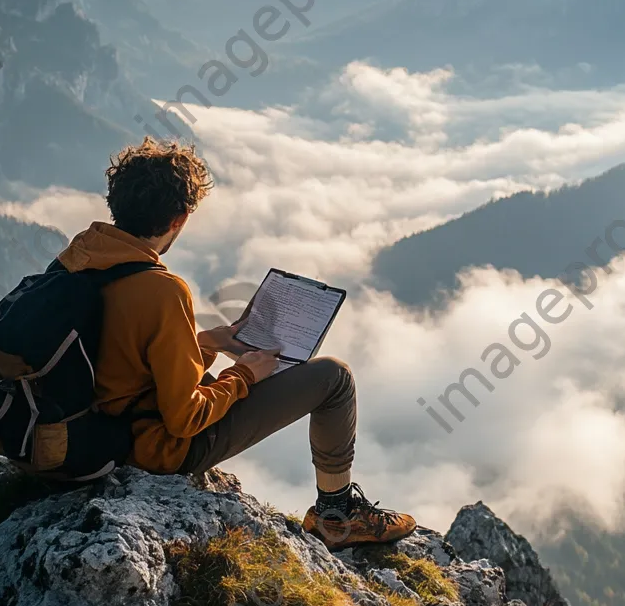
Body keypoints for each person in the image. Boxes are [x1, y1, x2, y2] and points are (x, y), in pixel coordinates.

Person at [56, 138, 417, 551]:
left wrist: (206, 342)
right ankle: (337, 515)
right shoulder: (162, 291)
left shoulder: (80, 256)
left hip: (81, 429)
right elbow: (183, 421)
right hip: (148, 448)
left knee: (226, 372)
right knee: (334, 378)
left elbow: (116, 348)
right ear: (180, 218)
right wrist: (244, 374)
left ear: (115, 202)